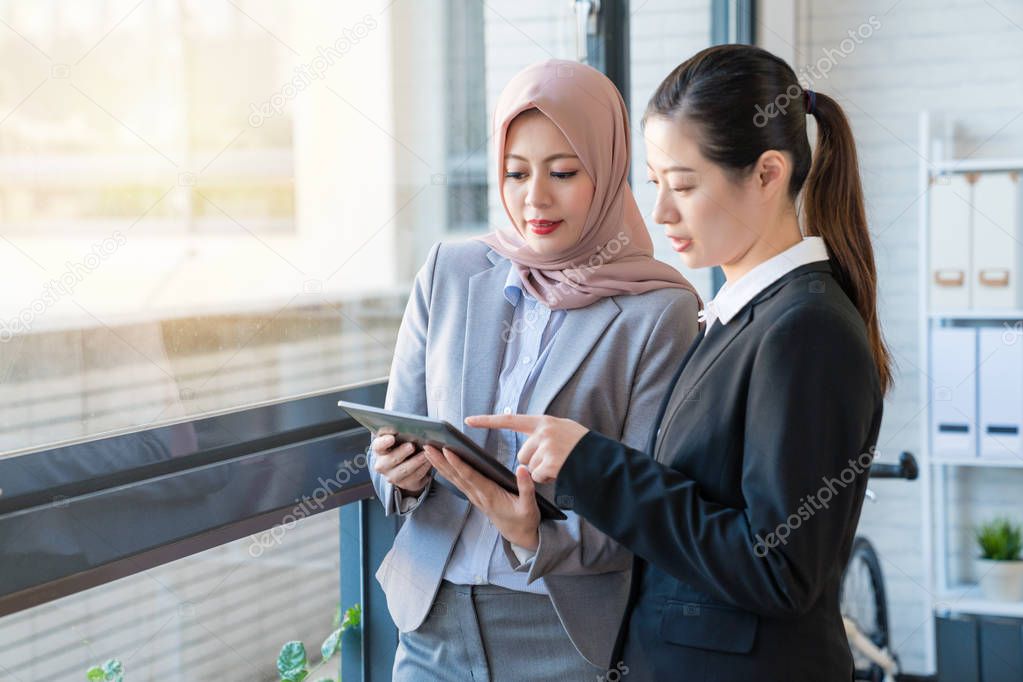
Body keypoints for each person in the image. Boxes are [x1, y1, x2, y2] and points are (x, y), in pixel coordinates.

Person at [462, 44, 893, 682]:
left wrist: (594, 464)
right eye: (657, 184)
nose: (661, 213)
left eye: (684, 185)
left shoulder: (806, 329)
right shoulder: (741, 317)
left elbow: (778, 568)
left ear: (768, 173)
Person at [368, 59, 702, 681]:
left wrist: (536, 533)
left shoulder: (660, 313)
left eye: (564, 172)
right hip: (430, 625)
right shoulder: (451, 272)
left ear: (607, 172)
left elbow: (651, 509)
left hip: (561, 637)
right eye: (515, 173)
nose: (534, 199)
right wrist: (398, 472)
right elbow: (391, 436)